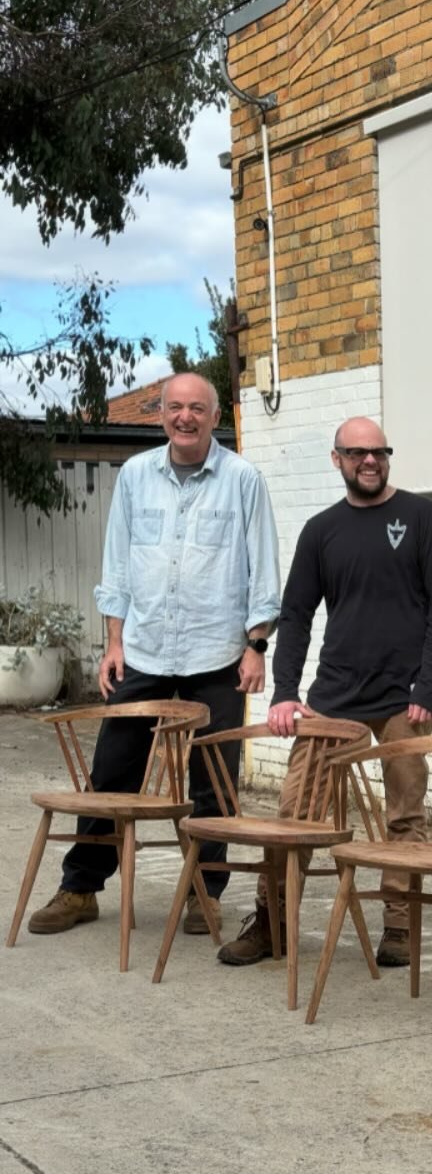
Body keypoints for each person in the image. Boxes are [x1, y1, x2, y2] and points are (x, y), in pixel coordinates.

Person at [29, 373, 281, 936]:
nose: (185, 417)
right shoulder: (137, 476)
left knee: (213, 781)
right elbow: (117, 566)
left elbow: (263, 569)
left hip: (217, 653)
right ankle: (80, 889)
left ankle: (203, 892)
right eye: (174, 408)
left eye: (196, 408)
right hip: (141, 650)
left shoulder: (243, 479)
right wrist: (113, 642)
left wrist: (255, 646)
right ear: (161, 414)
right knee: (112, 773)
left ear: (215, 417)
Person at [218, 416, 432, 967]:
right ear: (337, 459)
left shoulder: (420, 517)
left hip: (405, 701)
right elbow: (296, 614)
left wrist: (431, 686)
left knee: (404, 817)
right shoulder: (321, 530)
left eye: (378, 451)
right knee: (294, 814)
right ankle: (272, 922)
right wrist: (285, 691)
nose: (369, 461)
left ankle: (400, 924)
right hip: (334, 697)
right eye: (357, 453)